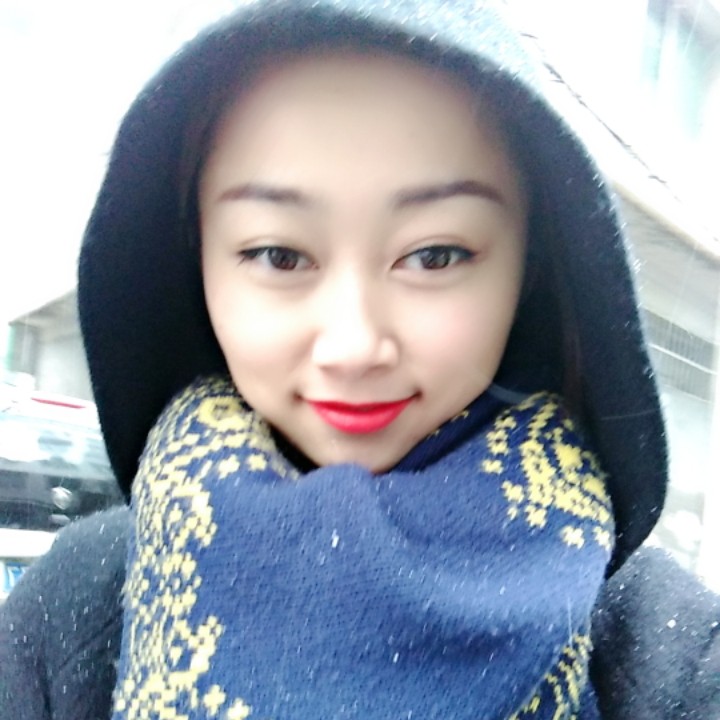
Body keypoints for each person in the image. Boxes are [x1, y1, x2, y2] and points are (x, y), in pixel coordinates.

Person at [1, 1, 718, 718]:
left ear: (529, 270)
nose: (352, 347)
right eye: (278, 254)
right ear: (197, 264)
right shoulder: (75, 608)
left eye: (435, 255)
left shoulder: (666, 654)